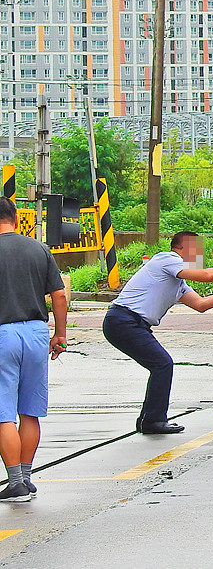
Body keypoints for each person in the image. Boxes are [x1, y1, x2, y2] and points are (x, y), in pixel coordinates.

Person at [102, 231, 213, 435]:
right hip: (123, 320)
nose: (199, 254)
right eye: (195, 248)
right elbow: (206, 275)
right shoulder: (167, 259)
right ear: (181, 247)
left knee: (160, 365)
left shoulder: (178, 282)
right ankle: (153, 420)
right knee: (162, 364)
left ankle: (148, 419)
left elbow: (201, 305)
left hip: (130, 324)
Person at [0, 196, 68, 502]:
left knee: (3, 414)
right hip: (37, 332)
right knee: (30, 411)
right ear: (15, 217)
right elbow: (58, 295)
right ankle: (26, 478)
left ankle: (15, 481)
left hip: (2, 334)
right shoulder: (39, 249)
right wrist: (60, 335)